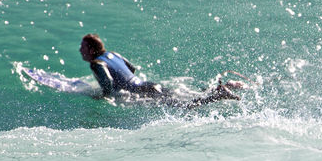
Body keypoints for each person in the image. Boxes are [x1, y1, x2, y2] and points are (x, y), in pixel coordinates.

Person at [79, 34, 241, 106]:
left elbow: (107, 84)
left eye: (83, 47)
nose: (80, 50)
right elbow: (132, 69)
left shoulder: (96, 63)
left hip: (143, 93)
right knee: (187, 96)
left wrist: (102, 97)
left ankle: (219, 94)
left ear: (92, 50)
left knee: (187, 105)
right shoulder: (112, 54)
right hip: (148, 85)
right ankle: (220, 88)